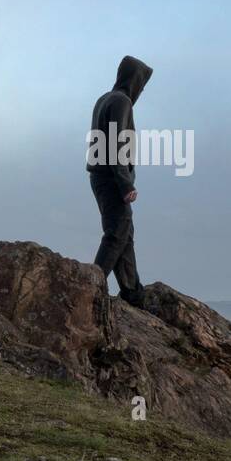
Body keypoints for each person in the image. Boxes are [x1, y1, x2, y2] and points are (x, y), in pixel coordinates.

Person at [86, 55, 153, 305]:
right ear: (134, 81)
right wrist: (125, 183)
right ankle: (89, 289)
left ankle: (133, 293)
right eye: (142, 85)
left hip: (100, 177)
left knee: (125, 235)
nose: (141, 90)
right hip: (112, 179)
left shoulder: (104, 99)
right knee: (116, 235)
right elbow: (117, 143)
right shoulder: (122, 101)